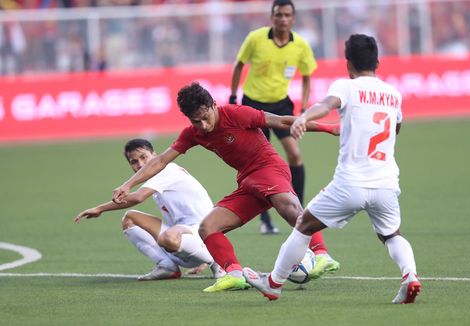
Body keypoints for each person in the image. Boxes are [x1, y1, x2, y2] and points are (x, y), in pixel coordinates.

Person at [243, 34, 422, 304]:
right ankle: (410, 275)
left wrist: (303, 117)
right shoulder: (394, 94)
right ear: (378, 63)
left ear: (347, 63)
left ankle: (273, 283)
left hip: (350, 183)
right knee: (391, 235)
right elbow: (395, 129)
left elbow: (325, 105)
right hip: (385, 183)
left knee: (304, 224)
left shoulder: (347, 87)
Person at [112, 82, 341, 292]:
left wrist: (328, 128)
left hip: (269, 168)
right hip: (248, 181)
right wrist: (128, 184)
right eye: (195, 121)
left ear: (213, 104)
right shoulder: (194, 133)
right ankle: (233, 274)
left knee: (289, 209)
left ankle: (322, 255)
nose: (203, 125)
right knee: (208, 227)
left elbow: (281, 120)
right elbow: (161, 160)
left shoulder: (236, 113)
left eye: (205, 117)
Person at [74, 138, 225, 281]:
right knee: (130, 218)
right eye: (134, 162)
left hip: (201, 236)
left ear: (155, 155)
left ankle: (218, 262)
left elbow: (138, 197)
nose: (140, 164)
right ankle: (167, 266)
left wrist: (100, 208)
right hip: (182, 243)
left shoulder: (168, 169)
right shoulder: (155, 182)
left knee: (167, 237)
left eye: (144, 157)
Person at [230, 0, 316, 235]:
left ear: (293, 18)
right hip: (253, 106)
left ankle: (299, 209)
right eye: (279, 15)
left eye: (287, 15)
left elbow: (307, 75)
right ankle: (265, 219)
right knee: (258, 164)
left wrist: (305, 106)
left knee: (295, 154)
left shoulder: (300, 45)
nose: (283, 19)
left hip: (280, 105)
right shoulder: (255, 38)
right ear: (272, 17)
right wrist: (233, 96)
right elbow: (239, 65)